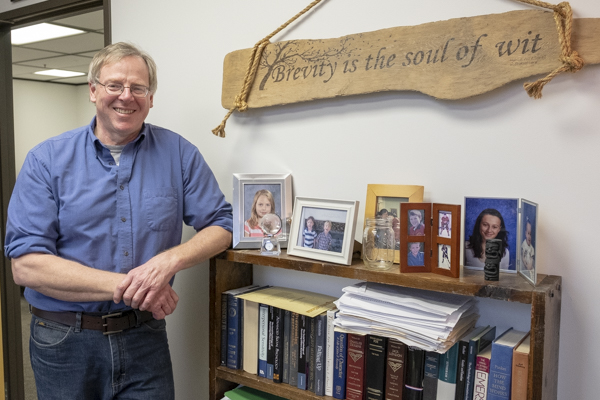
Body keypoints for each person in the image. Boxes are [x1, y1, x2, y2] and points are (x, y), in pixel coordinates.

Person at [4, 42, 233, 400]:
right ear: (93, 91)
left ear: (151, 97)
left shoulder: (179, 153)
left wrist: (167, 261)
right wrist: (136, 285)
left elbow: (224, 224)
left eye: (138, 88)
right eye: (115, 85)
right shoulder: (46, 160)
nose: (126, 96)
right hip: (64, 341)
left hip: (145, 337)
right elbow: (27, 267)